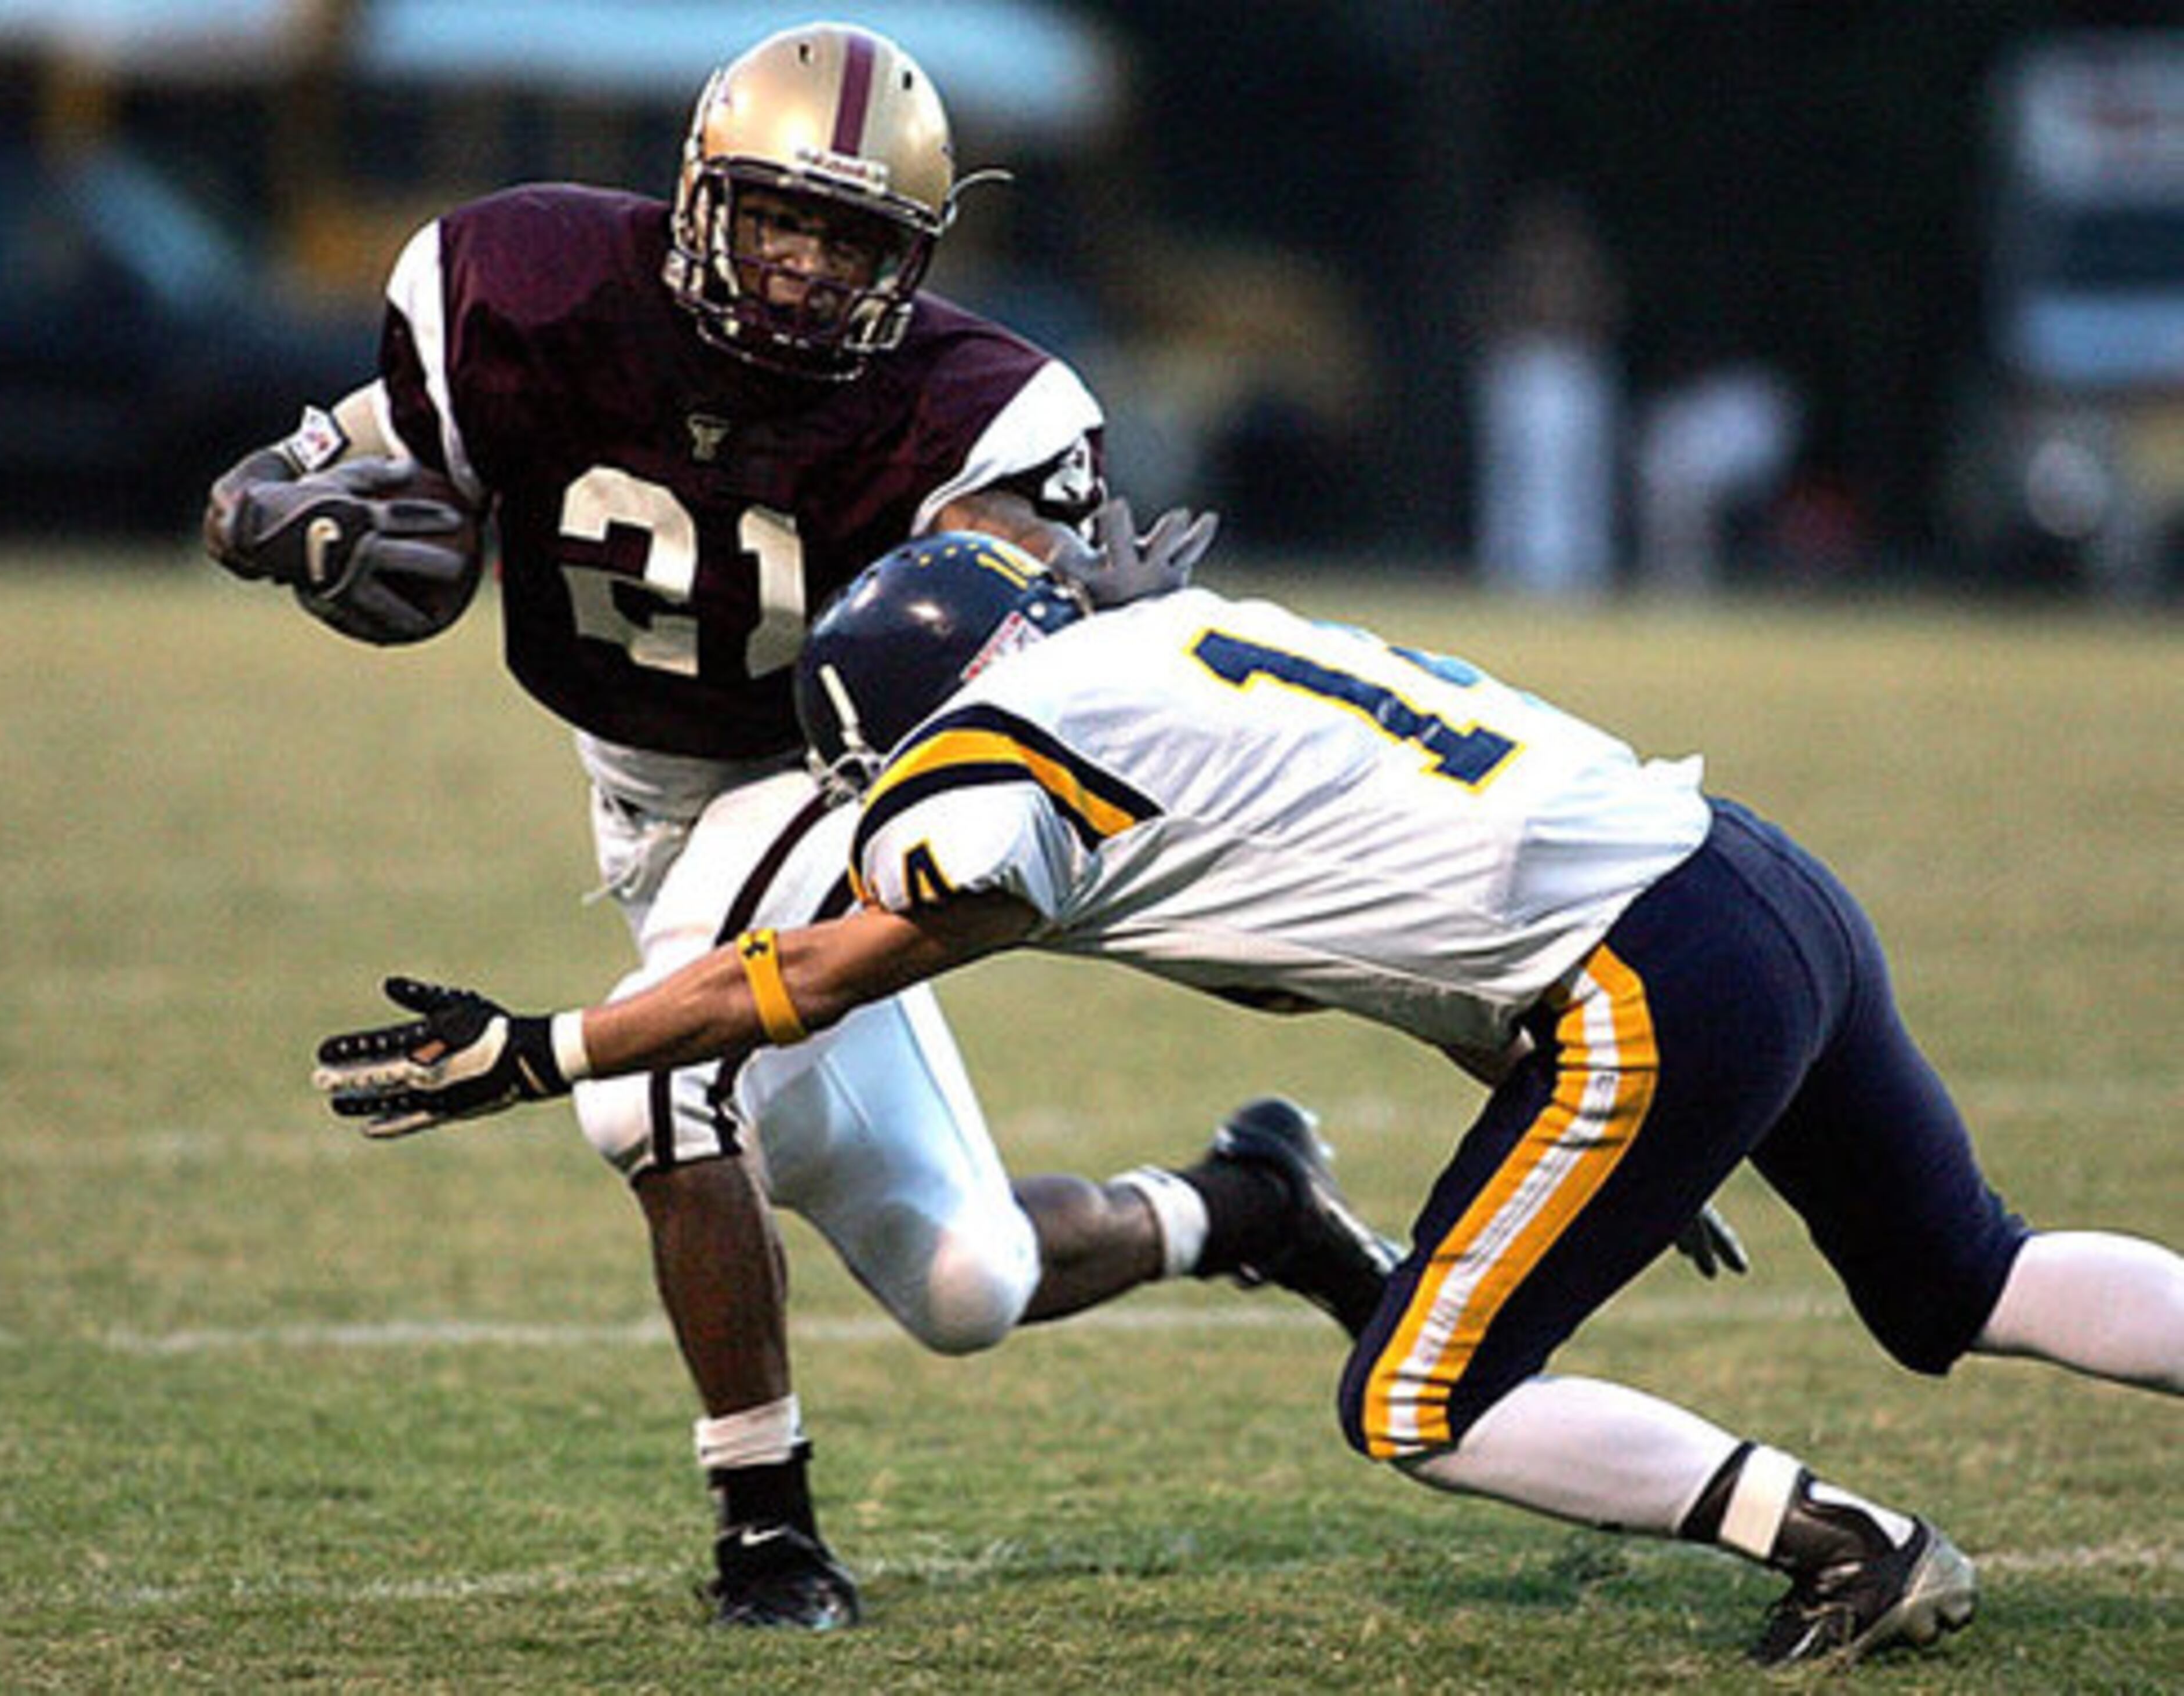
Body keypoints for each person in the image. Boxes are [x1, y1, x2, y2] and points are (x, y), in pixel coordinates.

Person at [315, 532, 2183, 1668]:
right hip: (1755, 882)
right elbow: (1387, 885)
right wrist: (1583, 1090)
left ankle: (1854, 1548)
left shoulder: (976, 775)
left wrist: (550, 1046)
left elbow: (823, 968)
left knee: (1422, 1398)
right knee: (1962, 1274)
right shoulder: (1173, 644)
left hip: (1647, 978)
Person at [200, 21, 1400, 1631]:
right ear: (701, 193)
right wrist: (299, 527)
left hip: (835, 775)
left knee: (652, 1086)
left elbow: (998, 609)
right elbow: (272, 481)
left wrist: (1072, 622)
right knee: (967, 1285)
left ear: (915, 259)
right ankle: (1246, 1202)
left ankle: (765, 1528)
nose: (803, 270)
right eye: (779, 218)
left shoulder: (979, 406)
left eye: (853, 240)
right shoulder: (531, 283)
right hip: (642, 804)